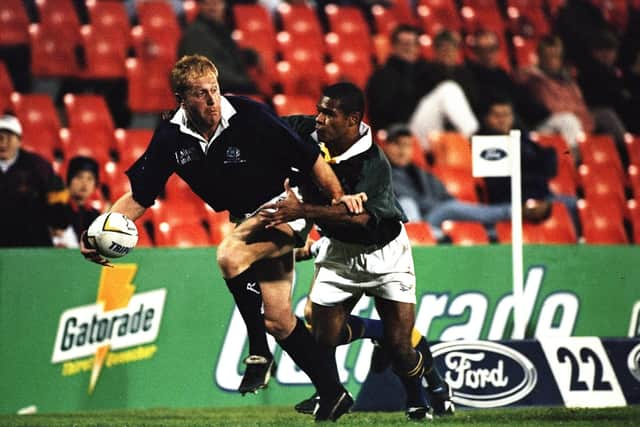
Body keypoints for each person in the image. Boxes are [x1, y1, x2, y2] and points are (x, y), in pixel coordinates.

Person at [80, 55, 364, 421]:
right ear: (181, 97)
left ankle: (259, 353)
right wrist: (97, 229)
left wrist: (338, 202)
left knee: (230, 255)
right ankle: (334, 393)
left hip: (287, 205)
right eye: (201, 94)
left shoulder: (249, 114)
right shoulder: (170, 137)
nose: (212, 100)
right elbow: (139, 196)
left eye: (214, 90)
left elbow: (310, 159)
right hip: (248, 216)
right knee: (278, 318)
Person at [260, 83, 454, 421]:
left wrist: (301, 214)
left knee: (401, 347)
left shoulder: (372, 162)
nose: (318, 119)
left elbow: (362, 219)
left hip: (385, 254)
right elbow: (266, 125)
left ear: (352, 120)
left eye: (328, 114)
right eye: (319, 110)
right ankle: (332, 396)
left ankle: (426, 393)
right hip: (339, 253)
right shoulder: (308, 130)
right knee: (323, 337)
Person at [366, 25, 479, 148]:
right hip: (400, 132)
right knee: (448, 89)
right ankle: (475, 140)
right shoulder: (382, 75)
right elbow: (381, 114)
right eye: (405, 44)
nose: (410, 48)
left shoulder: (425, 68)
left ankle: (470, 142)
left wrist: (447, 67)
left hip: (428, 129)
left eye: (414, 44)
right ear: (393, 46)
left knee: (449, 89)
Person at [517, 35, 627, 160]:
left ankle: (626, 159)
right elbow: (551, 107)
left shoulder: (567, 79)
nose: (552, 60)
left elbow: (580, 104)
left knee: (606, 115)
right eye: (548, 56)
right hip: (543, 124)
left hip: (572, 118)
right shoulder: (533, 80)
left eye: (556, 56)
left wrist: (583, 116)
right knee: (568, 120)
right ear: (540, 57)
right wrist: (577, 113)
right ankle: (575, 163)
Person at [0, 114, 63, 247]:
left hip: (33, 240)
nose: (3, 143)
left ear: (19, 140)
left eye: (9, 137)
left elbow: (57, 194)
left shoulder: (38, 166)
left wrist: (58, 222)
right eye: (0, 137)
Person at [178, 0, 259, 95]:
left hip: (226, 88)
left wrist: (248, 56)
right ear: (200, 5)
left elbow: (225, 56)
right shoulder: (196, 33)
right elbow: (206, 70)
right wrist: (244, 83)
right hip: (212, 93)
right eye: (207, 3)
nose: (212, 7)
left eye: (217, 2)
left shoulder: (218, 28)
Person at [50, 156, 101, 248]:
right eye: (79, 177)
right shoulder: (56, 211)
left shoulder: (96, 216)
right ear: (69, 181)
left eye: (90, 178)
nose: (84, 183)